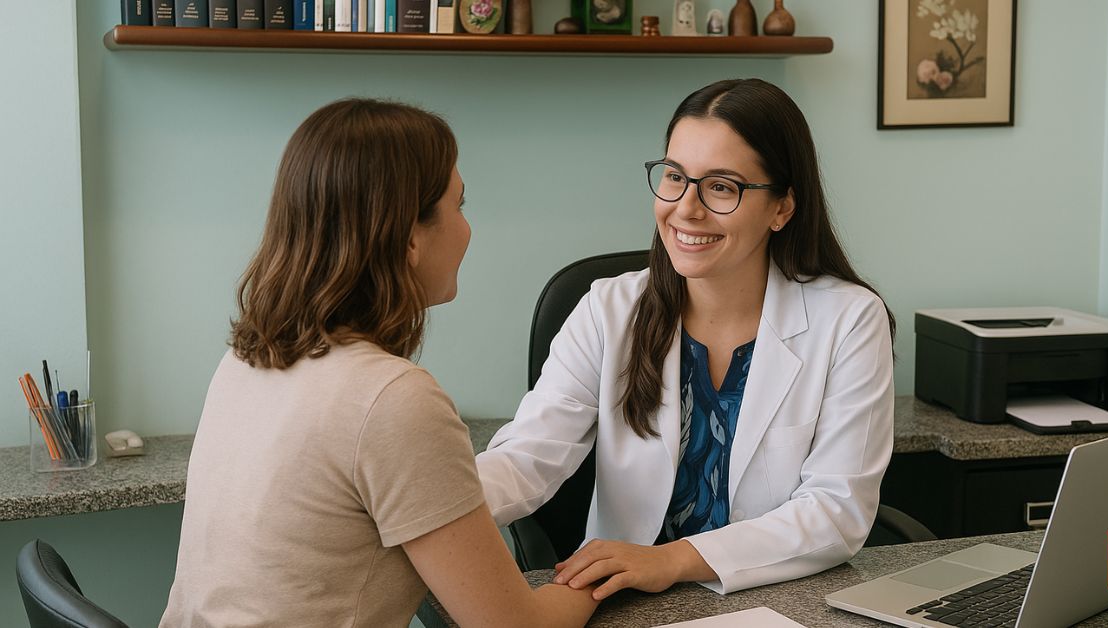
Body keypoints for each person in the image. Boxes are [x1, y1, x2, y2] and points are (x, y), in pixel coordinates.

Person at [160, 99, 596, 627]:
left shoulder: (247, 360)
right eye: (460, 205)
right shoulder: (392, 399)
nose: (467, 229)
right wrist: (600, 578)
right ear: (410, 236)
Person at [475, 78, 896, 598]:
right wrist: (425, 512)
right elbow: (527, 457)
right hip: (626, 601)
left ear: (782, 208)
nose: (686, 208)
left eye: (721, 186)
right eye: (675, 176)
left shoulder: (849, 319)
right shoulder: (608, 310)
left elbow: (837, 510)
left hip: (773, 596)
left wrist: (670, 561)